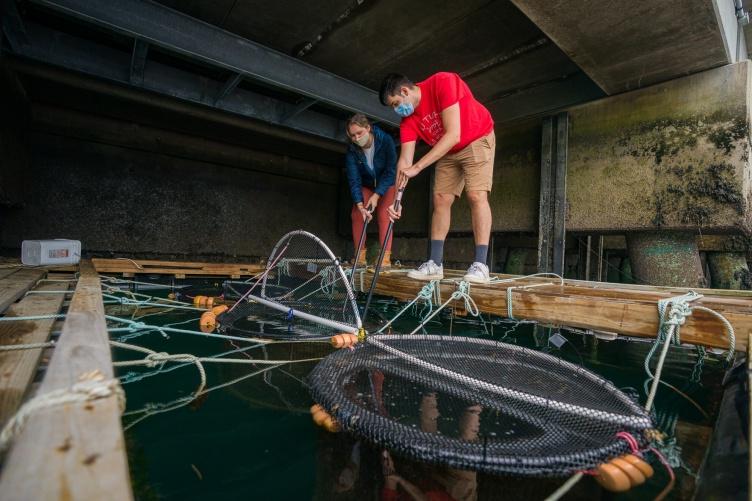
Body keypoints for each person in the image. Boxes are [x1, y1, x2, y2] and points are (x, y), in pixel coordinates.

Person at [379, 72, 495, 283]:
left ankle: (480, 265)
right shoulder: (408, 120)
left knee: (476, 195)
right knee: (441, 199)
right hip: (448, 151)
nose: (397, 110)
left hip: (477, 137)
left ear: (405, 91)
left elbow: (453, 135)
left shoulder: (442, 82)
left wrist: (419, 166)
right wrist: (397, 200)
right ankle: (435, 263)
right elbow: (405, 162)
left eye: (396, 103)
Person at [345, 113, 397, 268]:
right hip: (367, 184)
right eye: (352, 135)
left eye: (359, 133)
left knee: (385, 214)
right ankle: (360, 257)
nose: (356, 138)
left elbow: (391, 171)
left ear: (368, 128)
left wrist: (377, 194)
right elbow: (354, 180)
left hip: (386, 183)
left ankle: (385, 258)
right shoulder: (352, 151)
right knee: (357, 213)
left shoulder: (386, 140)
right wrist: (360, 204)